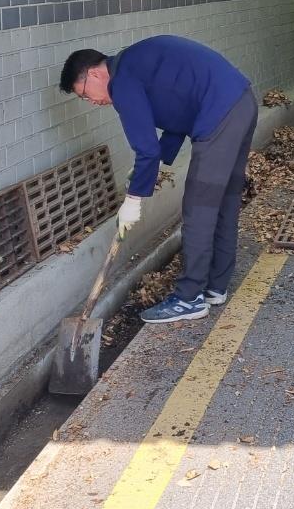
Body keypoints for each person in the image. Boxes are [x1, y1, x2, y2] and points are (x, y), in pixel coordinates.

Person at [59, 36, 257, 323]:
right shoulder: (136, 64)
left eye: (86, 95)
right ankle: (216, 286)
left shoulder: (122, 81)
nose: (93, 102)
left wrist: (133, 201)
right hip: (240, 100)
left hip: (220, 112)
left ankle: (189, 298)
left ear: (95, 74)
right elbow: (177, 112)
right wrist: (152, 168)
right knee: (224, 200)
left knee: (199, 208)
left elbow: (145, 148)